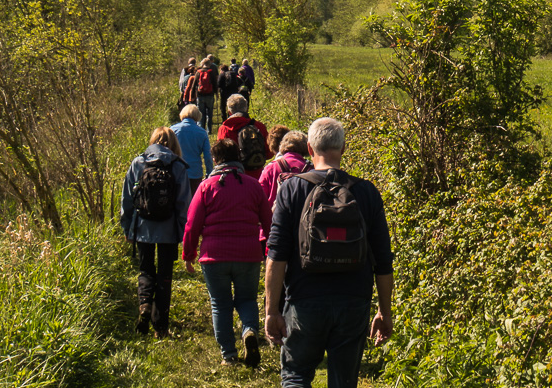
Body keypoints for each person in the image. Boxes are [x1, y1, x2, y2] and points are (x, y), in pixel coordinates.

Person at [264, 118, 394, 388]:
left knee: (296, 376)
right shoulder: (367, 192)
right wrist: (384, 312)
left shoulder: (291, 189)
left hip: (303, 301)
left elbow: (276, 256)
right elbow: (383, 260)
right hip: (353, 302)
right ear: (343, 148)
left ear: (309, 149)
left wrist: (271, 311)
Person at [183, 138, 273, 367]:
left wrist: (189, 254)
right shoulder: (253, 186)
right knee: (247, 299)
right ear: (239, 158)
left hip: (214, 256)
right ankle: (250, 330)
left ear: (215, 159)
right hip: (248, 254)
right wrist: (271, 249)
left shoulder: (206, 186)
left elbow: (192, 224)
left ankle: (229, 355)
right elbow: (268, 221)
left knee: (220, 303)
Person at [119, 126, 193, 337]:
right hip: (168, 230)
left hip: (143, 228)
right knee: (165, 275)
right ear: (174, 145)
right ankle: (160, 327)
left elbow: (127, 199)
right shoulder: (178, 166)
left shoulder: (138, 163)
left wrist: (127, 227)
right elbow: (183, 203)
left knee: (145, 270)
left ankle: (144, 307)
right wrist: (184, 232)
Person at [258, 130, 311, 205]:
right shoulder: (310, 169)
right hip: (304, 215)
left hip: (275, 214)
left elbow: (259, 196)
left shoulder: (271, 167)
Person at [217, 94, 270, 168]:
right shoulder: (259, 126)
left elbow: (220, 156)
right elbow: (269, 152)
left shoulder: (224, 129)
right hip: (256, 173)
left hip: (234, 174)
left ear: (229, 112)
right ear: (247, 109)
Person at [171, 104, 214, 194]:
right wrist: (209, 174)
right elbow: (208, 156)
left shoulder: (173, 130)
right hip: (195, 173)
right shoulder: (202, 132)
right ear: (197, 116)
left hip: (176, 173)